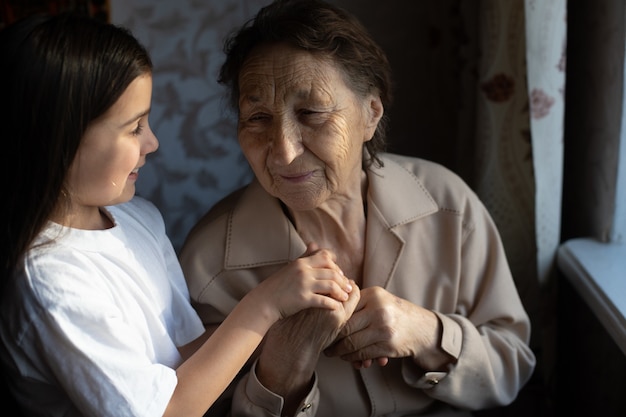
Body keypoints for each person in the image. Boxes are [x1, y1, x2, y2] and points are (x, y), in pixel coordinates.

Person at [179, 0, 537, 416]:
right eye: (257, 117)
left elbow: (513, 365)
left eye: (311, 113)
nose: (284, 153)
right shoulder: (208, 266)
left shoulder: (447, 206)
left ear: (371, 114)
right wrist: (282, 371)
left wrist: (429, 334)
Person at [0, 12, 356, 417]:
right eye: (134, 128)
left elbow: (185, 357)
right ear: (57, 142)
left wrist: (296, 320)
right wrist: (266, 303)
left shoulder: (139, 219)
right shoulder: (51, 283)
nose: (151, 142)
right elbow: (165, 410)